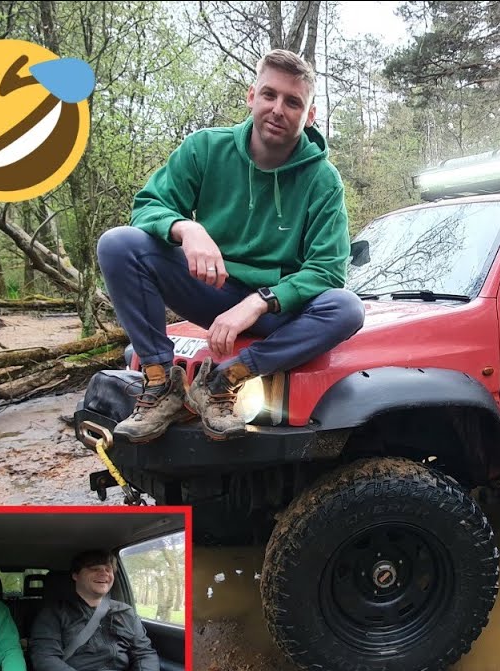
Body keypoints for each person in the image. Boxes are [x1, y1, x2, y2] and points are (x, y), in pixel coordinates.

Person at [96, 48, 365, 443]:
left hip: (275, 311)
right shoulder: (205, 148)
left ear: (309, 115)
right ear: (251, 96)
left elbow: (327, 270)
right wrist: (186, 229)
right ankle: (161, 383)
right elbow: (148, 206)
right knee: (119, 243)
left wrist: (259, 301)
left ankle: (223, 380)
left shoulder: (323, 180)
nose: (278, 109)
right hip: (211, 288)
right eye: (269, 95)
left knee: (346, 307)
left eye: (293, 102)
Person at [29, 549, 185, 671]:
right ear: (75, 575)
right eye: (94, 568)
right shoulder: (53, 613)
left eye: (108, 569)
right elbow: (45, 660)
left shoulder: (125, 612)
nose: (104, 573)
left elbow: (144, 652)